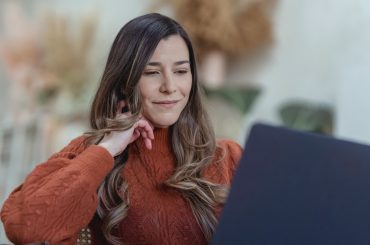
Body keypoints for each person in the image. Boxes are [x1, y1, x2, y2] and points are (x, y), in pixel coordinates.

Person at [1, 13, 242, 245]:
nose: (170, 86)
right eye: (152, 72)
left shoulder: (229, 156)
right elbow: (26, 227)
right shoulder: (92, 152)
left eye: (180, 71)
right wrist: (108, 148)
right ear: (125, 82)